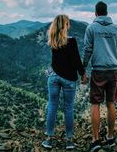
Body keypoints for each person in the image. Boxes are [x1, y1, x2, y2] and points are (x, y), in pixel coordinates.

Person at [42, 14, 88, 150]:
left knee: (52, 107)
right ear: (65, 25)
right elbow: (76, 61)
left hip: (54, 77)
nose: (70, 25)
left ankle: (48, 139)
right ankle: (69, 140)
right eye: (68, 23)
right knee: (68, 108)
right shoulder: (71, 41)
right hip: (68, 79)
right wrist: (83, 74)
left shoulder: (52, 40)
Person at [83, 1, 117, 152]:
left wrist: (83, 68)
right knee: (111, 102)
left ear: (96, 13)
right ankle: (111, 136)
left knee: (95, 104)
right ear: (107, 13)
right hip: (113, 70)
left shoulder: (91, 28)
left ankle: (95, 140)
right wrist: (116, 61)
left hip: (98, 70)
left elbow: (87, 50)